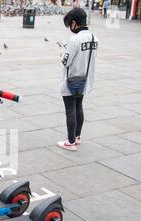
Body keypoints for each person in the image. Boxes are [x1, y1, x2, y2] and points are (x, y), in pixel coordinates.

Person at [57, 8, 98, 151]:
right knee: (79, 107)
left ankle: (70, 142)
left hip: (71, 81)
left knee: (70, 110)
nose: (70, 28)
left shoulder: (74, 40)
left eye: (70, 25)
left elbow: (65, 62)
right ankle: (77, 136)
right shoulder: (94, 38)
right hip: (84, 81)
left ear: (74, 23)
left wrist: (63, 52)